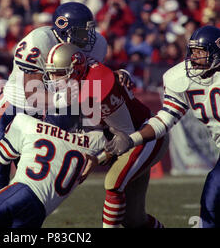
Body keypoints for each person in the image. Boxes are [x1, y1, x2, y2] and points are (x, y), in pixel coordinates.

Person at [104, 26, 220, 228]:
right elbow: (165, 119)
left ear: (218, 52)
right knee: (208, 221)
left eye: (200, 52)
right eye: (192, 51)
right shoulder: (181, 78)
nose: (194, 57)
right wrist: (132, 139)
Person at [0, 2, 110, 207]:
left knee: (28, 188)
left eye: (89, 31)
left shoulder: (98, 44)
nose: (88, 39)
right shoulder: (40, 39)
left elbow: (94, 82)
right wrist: (70, 100)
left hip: (48, 116)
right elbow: (34, 95)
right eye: (81, 32)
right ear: (63, 28)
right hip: (12, 110)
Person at [41, 42, 168, 228]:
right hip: (126, 139)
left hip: (144, 136)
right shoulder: (79, 82)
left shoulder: (98, 86)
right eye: (51, 73)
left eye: (58, 73)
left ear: (75, 70)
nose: (53, 79)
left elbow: (125, 137)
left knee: (113, 183)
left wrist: (99, 158)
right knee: (133, 219)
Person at [0, 113, 104, 228]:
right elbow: (119, 141)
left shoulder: (29, 124)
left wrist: (15, 140)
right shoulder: (90, 143)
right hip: (39, 213)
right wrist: (100, 158)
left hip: (19, 193)